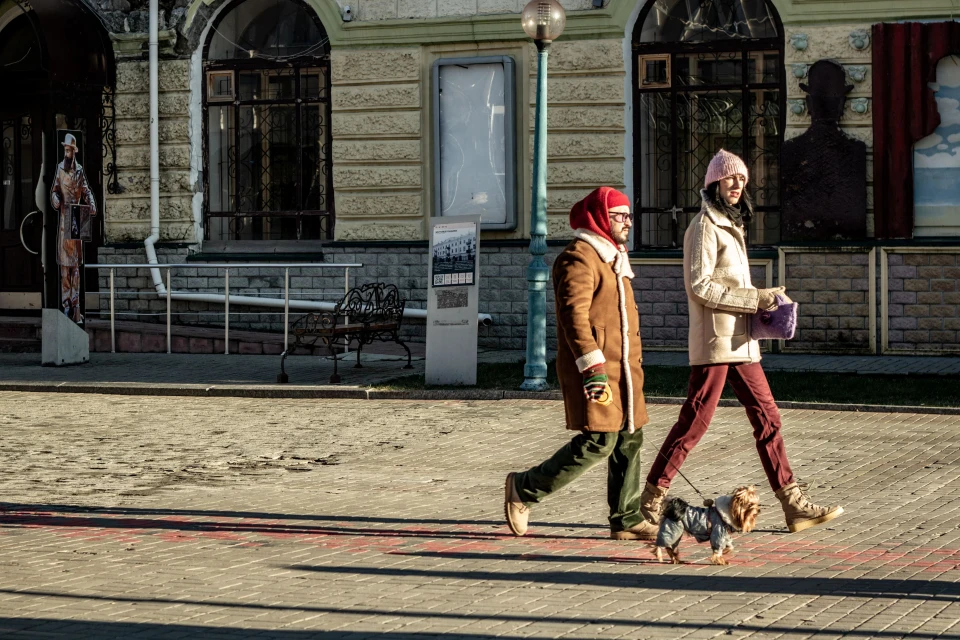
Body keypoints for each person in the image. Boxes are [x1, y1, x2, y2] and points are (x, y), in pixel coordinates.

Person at [638, 150, 843, 534]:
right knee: (695, 422)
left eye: (743, 179)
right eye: (730, 178)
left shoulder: (733, 225)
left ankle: (793, 503)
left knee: (768, 418)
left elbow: (730, 284)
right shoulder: (704, 227)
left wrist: (762, 303)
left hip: (742, 341)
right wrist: (757, 298)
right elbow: (699, 287)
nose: (737, 185)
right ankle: (652, 497)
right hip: (717, 341)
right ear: (714, 182)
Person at [504, 186, 657, 541]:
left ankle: (626, 518)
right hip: (597, 370)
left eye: (629, 215)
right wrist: (593, 366)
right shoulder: (579, 258)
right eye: (620, 216)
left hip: (626, 370)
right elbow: (574, 318)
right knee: (599, 441)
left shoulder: (612, 256)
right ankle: (524, 489)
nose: (628, 222)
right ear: (601, 217)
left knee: (630, 438)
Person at [51, 132, 97, 323]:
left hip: (77, 219)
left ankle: (76, 303)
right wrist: (56, 199)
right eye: (65, 149)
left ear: (74, 151)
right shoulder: (59, 169)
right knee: (64, 269)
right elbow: (54, 190)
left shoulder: (79, 171)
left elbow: (86, 190)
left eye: (69, 150)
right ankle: (66, 304)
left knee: (75, 267)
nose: (67, 152)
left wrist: (92, 204)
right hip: (64, 219)